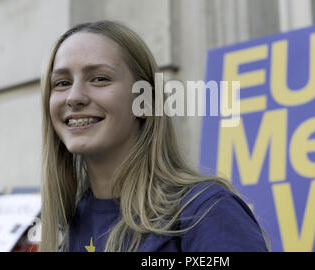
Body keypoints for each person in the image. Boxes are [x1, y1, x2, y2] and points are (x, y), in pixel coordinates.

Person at [39, 20, 269, 252]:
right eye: (62, 83)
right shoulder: (70, 222)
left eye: (100, 78)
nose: (74, 97)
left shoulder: (206, 211)